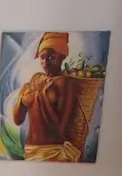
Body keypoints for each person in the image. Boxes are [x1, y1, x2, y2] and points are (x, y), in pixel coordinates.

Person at [12, 31, 81, 162]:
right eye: (42, 57)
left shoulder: (66, 83)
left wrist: (39, 97)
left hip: (53, 152)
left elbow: (65, 127)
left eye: (51, 58)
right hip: (30, 150)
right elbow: (17, 120)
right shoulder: (36, 78)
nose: (45, 63)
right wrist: (22, 96)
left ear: (62, 57)